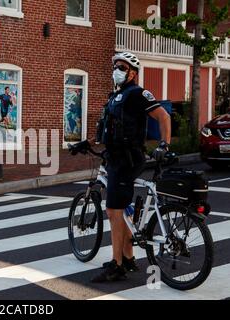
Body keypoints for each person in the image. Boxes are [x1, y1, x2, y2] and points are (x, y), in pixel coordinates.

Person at [78, 52, 171, 283]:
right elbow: (108, 130)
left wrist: (164, 145)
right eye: (115, 66)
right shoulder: (116, 97)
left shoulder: (138, 94)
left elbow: (163, 117)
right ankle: (128, 258)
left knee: (113, 211)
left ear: (133, 73)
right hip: (116, 157)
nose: (116, 70)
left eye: (122, 67)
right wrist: (87, 143)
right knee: (123, 209)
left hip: (127, 159)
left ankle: (116, 265)